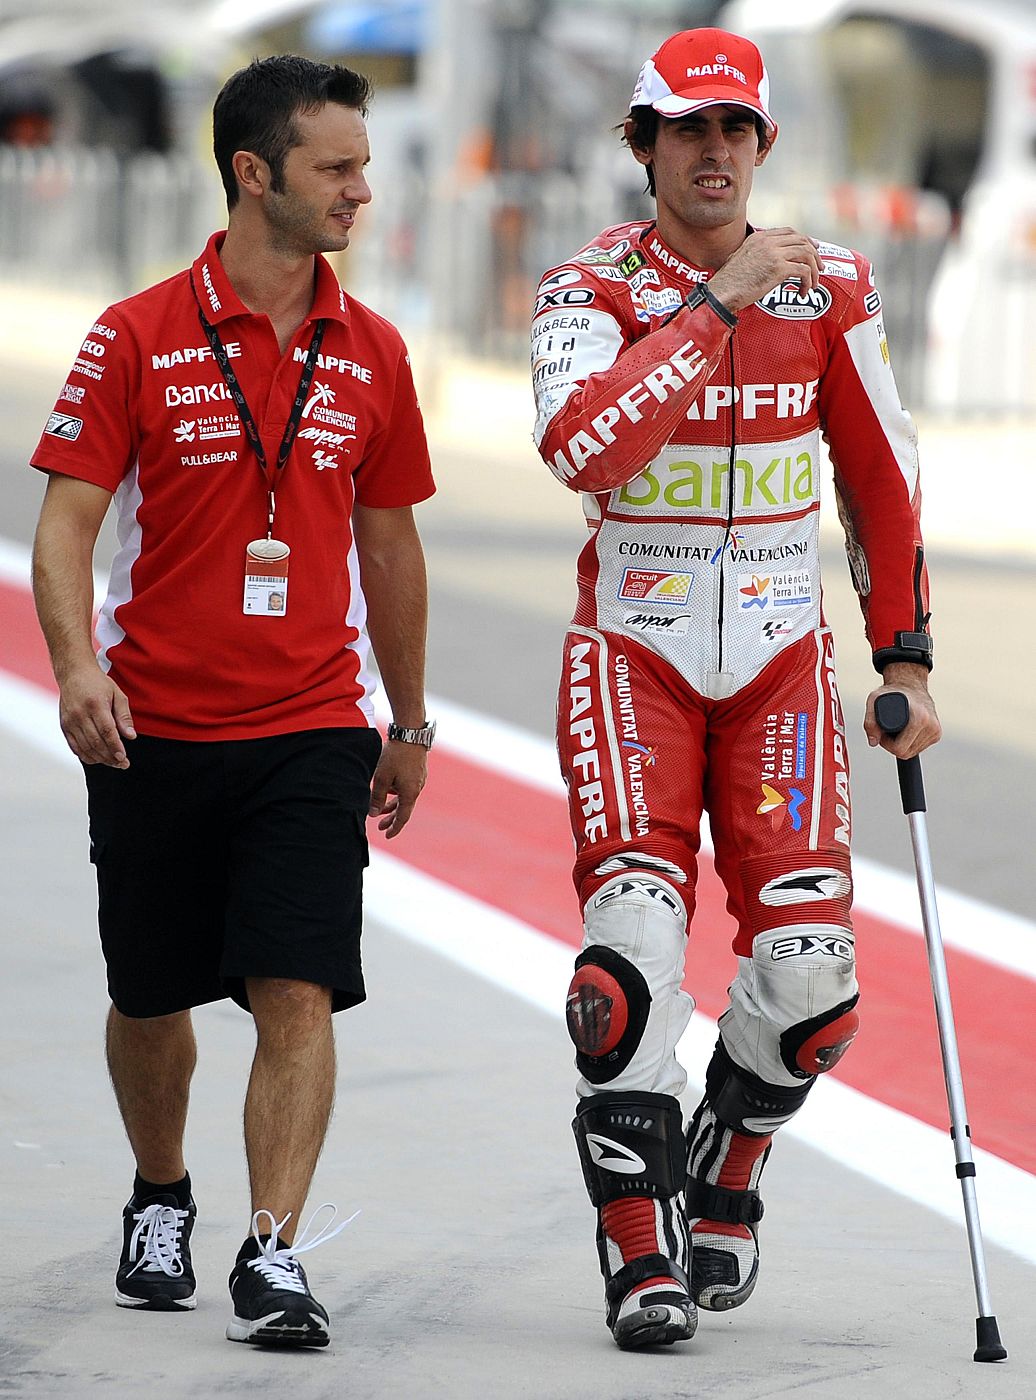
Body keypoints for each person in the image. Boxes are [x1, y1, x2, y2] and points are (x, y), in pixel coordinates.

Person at [530, 27, 941, 1350]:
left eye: (736, 130)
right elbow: (580, 448)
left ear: (763, 145)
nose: (714, 151)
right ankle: (638, 1246)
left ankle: (732, 1154)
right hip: (632, 654)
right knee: (629, 971)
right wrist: (717, 306)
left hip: (776, 657)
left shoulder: (833, 292)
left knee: (814, 988)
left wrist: (906, 657)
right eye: (686, 129)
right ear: (642, 145)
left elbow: (883, 482)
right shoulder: (585, 285)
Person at [31, 56, 436, 1349]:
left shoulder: (373, 353)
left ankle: (273, 1250)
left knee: (296, 986)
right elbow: (66, 529)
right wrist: (78, 670)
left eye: (363, 167)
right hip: (152, 723)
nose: (362, 191)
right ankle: (162, 1192)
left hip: (312, 724)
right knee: (150, 993)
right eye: (336, 167)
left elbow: (391, 549)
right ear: (254, 173)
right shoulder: (136, 334)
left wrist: (409, 724)